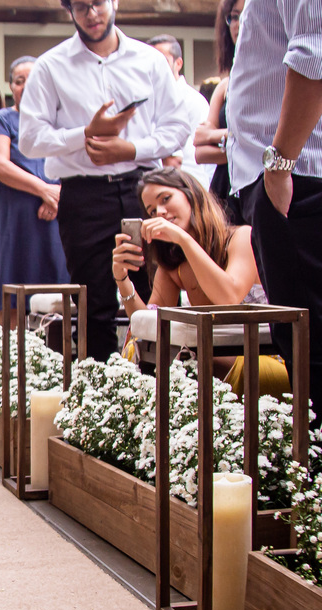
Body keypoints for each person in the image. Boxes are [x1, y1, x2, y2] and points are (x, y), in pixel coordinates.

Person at [19, 0, 192, 362]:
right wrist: (84, 134)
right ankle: (99, 398)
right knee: (92, 298)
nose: (91, 13)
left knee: (155, 290)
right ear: (69, 9)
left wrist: (129, 148)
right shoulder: (51, 65)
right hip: (83, 194)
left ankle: (157, 391)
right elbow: (30, 138)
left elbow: (178, 126)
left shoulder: (149, 60)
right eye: (80, 6)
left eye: (97, 2)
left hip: (142, 187)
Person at [227, 0, 322, 419]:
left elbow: (314, 54)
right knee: (301, 349)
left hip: (296, 178)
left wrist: (280, 165)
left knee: (310, 351)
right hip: (284, 177)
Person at [111, 168, 281, 391]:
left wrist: (183, 239)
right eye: (152, 211)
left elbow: (228, 298)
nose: (160, 212)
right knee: (142, 349)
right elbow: (146, 324)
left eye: (166, 199)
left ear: (191, 194)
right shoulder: (173, 263)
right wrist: (122, 278)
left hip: (264, 356)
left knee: (186, 364)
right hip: (208, 358)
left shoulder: (239, 238)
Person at [0, 57, 68, 326]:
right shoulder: (3, 119)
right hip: (14, 218)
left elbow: (73, 160)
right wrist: (43, 190)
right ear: (11, 87)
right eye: (19, 81)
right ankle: (9, 357)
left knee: (58, 287)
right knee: (14, 288)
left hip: (55, 216)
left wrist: (58, 196)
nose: (27, 86)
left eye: (33, 79)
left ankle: (55, 358)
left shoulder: (59, 120)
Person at [194, 0, 245, 222]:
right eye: (233, 16)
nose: (238, 23)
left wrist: (222, 139)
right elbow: (200, 148)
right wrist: (241, 143)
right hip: (225, 189)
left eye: (245, 14)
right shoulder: (225, 85)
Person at [147, 35, 214, 187]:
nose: (156, 66)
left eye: (162, 60)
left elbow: (173, 160)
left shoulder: (190, 101)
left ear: (178, 63)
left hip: (185, 187)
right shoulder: (150, 98)